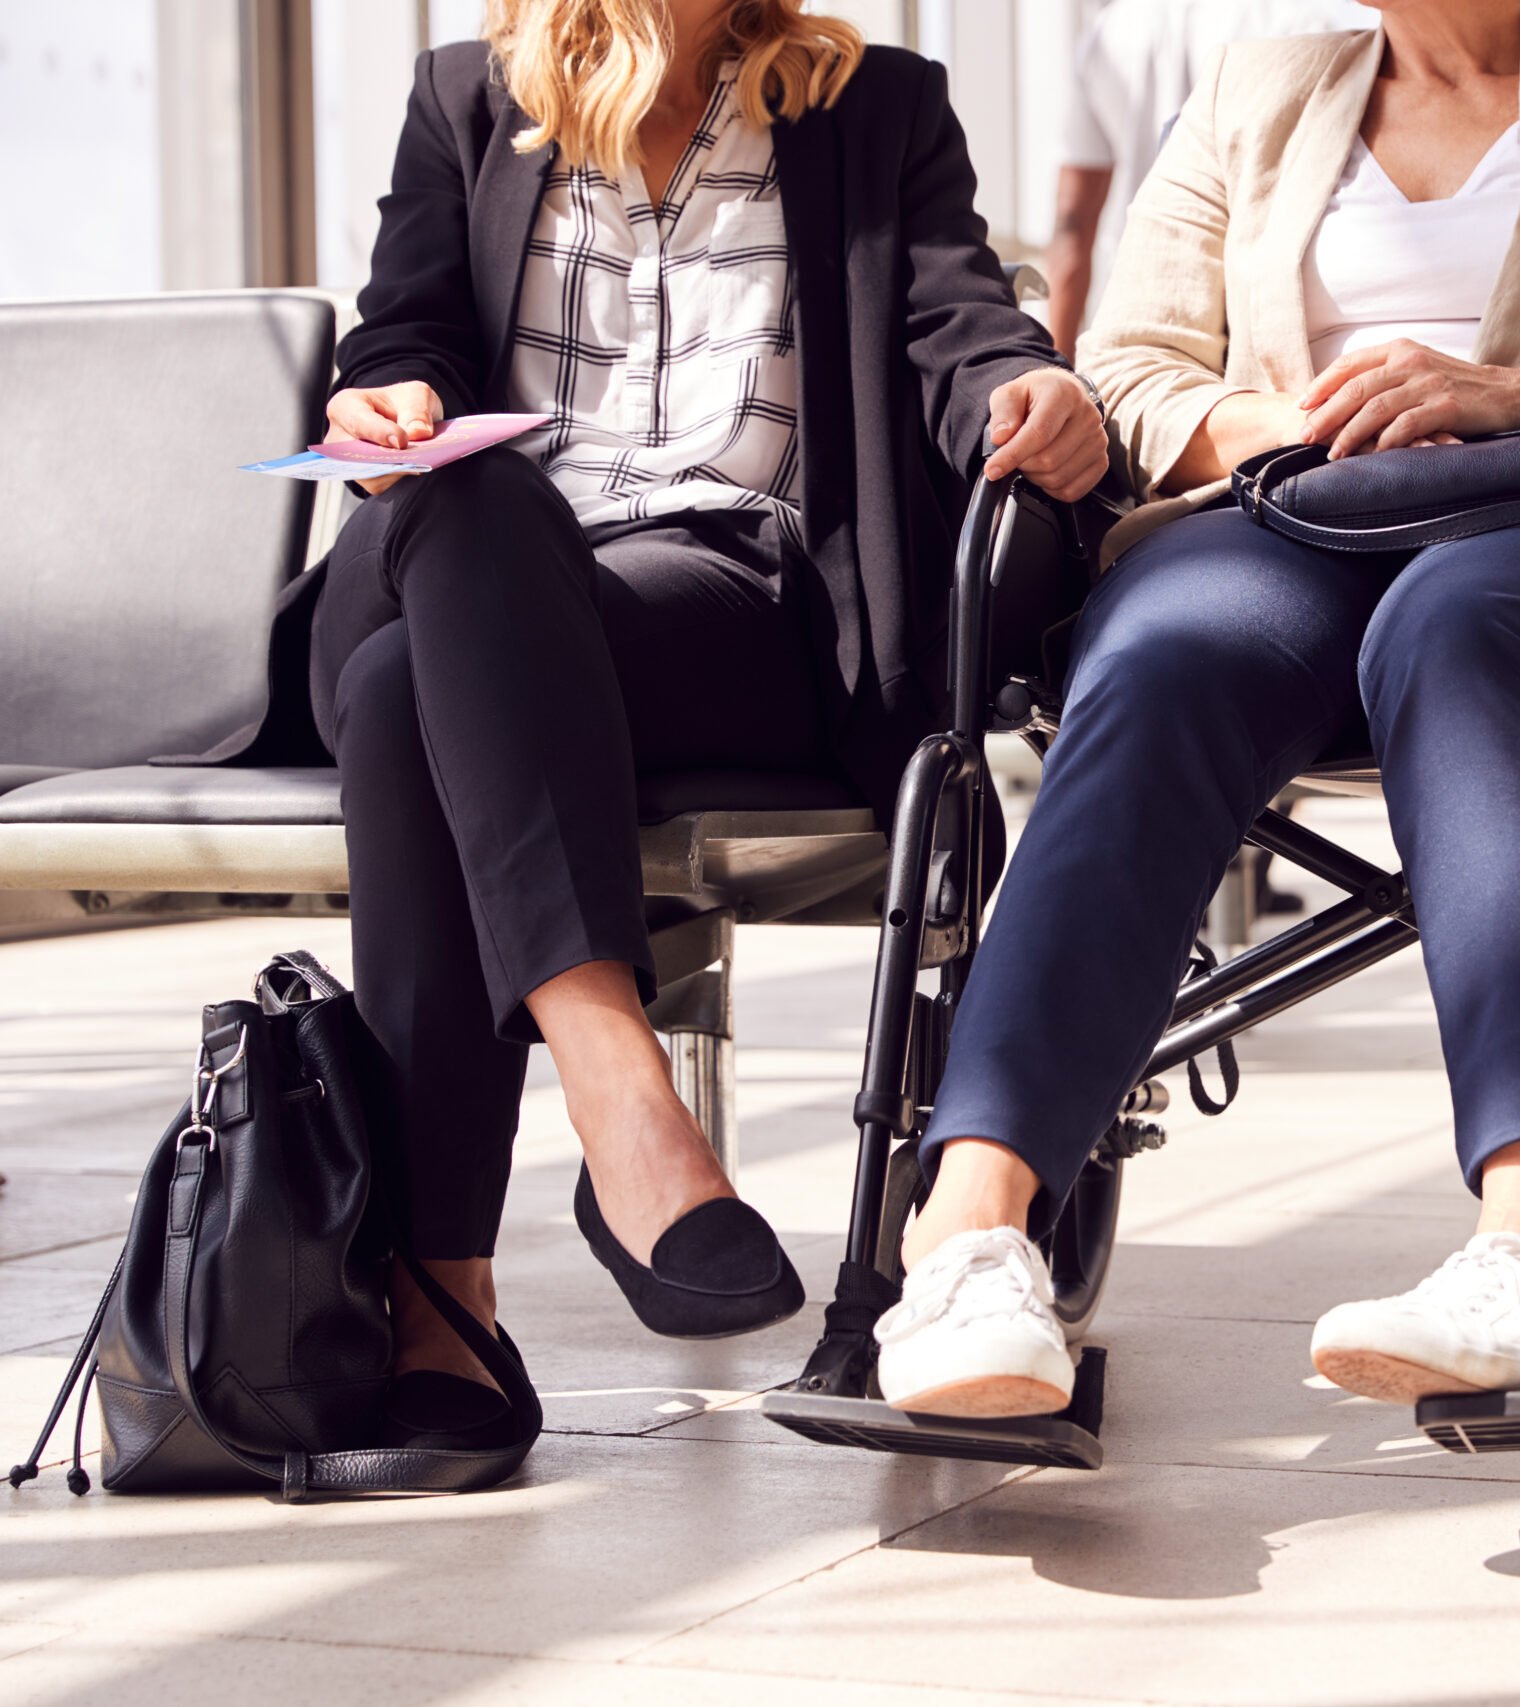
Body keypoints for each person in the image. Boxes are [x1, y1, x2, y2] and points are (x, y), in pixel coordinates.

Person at [870, 0, 1520, 1418]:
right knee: (1154, 662)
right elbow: (1130, 368)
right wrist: (1285, 423)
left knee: (1460, 630)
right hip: (1286, 514)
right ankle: (968, 1230)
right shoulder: (1261, 89)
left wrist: (1511, 396)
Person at [215, 0, 1104, 1452]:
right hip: (465, 555)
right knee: (472, 502)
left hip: (724, 602)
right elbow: (407, 329)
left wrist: (1034, 388)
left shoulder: (870, 106)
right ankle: (618, 1081)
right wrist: (387, 401)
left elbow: (962, 325)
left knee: (398, 705)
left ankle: (443, 1305)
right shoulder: (466, 100)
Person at [1042, 0, 1372, 365]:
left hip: (1137, 316)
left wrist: (1056, 362)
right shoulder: (1295, 18)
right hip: (1246, 327)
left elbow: (1074, 223)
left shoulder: (1109, 32)